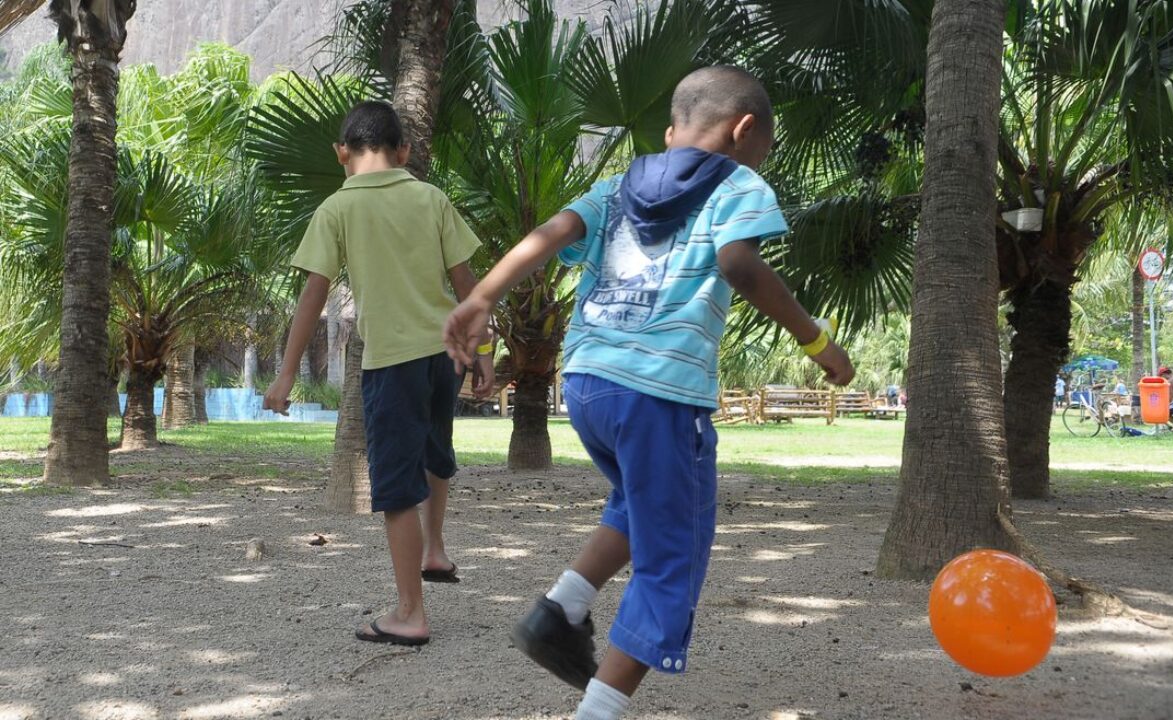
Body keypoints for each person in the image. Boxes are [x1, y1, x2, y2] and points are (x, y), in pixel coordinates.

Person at [443, 66, 854, 720]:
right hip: (660, 392)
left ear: (671, 131)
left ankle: (562, 609)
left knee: (639, 504)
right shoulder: (738, 181)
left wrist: (481, 297)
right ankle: (598, 712)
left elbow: (551, 233)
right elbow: (739, 264)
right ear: (745, 130)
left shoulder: (619, 183)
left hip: (587, 384)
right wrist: (815, 340)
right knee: (672, 557)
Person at [264, 101, 494, 645]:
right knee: (436, 453)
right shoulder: (431, 197)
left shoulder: (336, 209)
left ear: (341, 153)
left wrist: (286, 373)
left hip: (393, 362)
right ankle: (435, 550)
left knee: (394, 489)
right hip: (447, 356)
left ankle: (410, 614)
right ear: (405, 152)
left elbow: (312, 297)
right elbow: (468, 284)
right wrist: (483, 350)